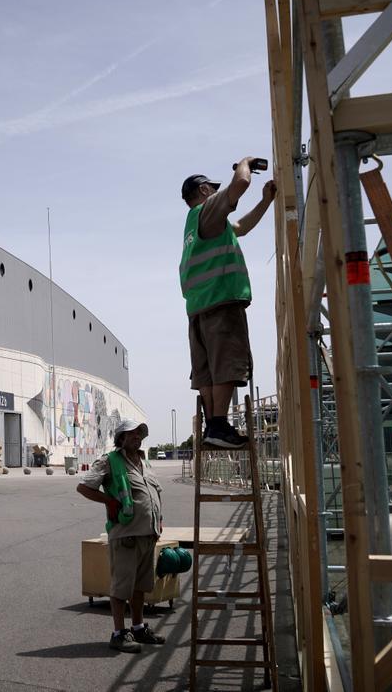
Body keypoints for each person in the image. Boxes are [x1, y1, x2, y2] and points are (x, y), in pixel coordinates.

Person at [179, 159, 276, 448]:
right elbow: (241, 183)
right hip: (221, 303)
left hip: (199, 310)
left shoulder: (196, 226)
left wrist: (266, 201)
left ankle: (213, 427)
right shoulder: (206, 210)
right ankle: (220, 426)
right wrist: (244, 163)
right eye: (213, 189)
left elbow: (241, 227)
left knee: (208, 371)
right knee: (227, 366)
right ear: (205, 190)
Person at [76, 419, 166, 653]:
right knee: (121, 588)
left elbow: (153, 492)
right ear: (121, 438)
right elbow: (84, 487)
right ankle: (118, 634)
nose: (137, 436)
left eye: (139, 433)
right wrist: (110, 502)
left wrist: (160, 518)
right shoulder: (110, 461)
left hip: (148, 534)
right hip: (125, 535)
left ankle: (137, 628)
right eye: (132, 433)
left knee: (140, 587)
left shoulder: (145, 462)